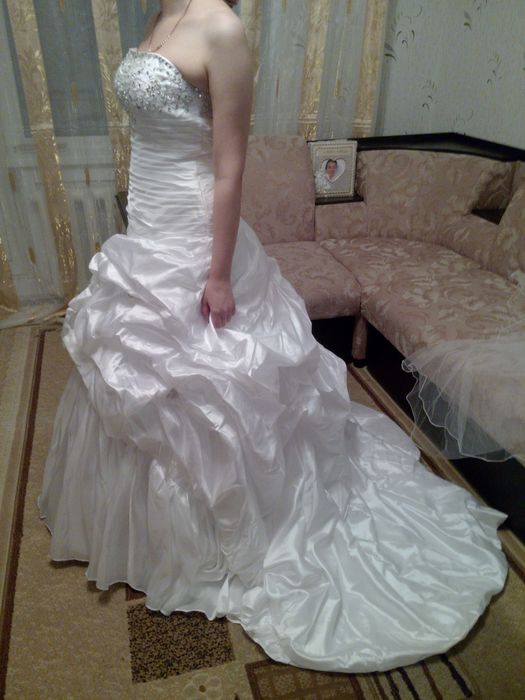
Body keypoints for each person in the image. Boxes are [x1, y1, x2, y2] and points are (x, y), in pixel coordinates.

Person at [38, 0, 508, 674]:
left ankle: (234, 531)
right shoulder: (159, 13)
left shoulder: (220, 27)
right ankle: (147, 531)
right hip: (148, 217)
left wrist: (218, 274)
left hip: (195, 226)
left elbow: (230, 167)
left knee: (216, 379)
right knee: (133, 367)